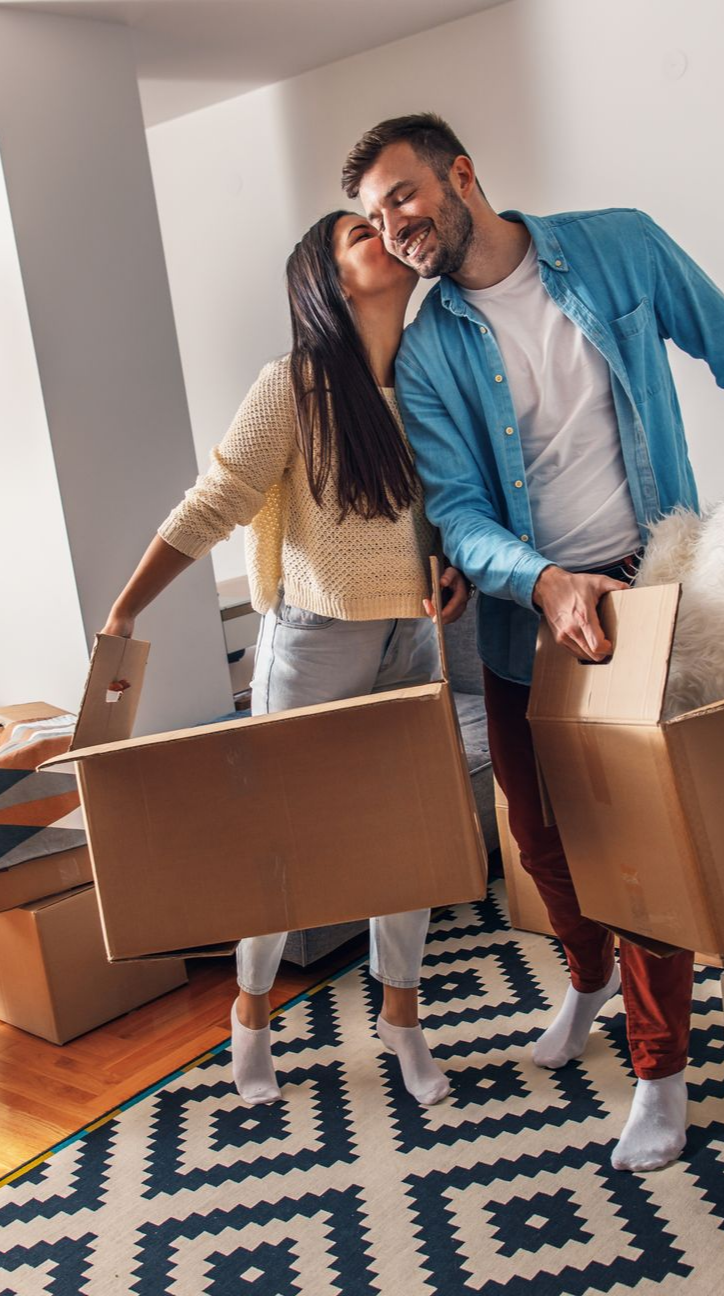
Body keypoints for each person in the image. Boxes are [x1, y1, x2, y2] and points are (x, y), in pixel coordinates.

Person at [342, 111, 724, 1172]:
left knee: (640, 848)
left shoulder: (621, 245)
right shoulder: (430, 349)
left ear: (460, 175)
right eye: (374, 217)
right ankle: (587, 978)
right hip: (531, 617)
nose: (393, 229)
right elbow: (464, 510)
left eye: (402, 198)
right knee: (541, 845)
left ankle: (660, 1071)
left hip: (648, 594)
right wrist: (543, 579)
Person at [101, 208, 470, 1109]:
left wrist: (451, 565)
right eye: (358, 232)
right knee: (282, 850)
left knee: (407, 838)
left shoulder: (426, 374)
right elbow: (219, 496)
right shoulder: (296, 384)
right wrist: (123, 609)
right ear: (332, 281)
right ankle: (253, 1016)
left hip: (412, 634)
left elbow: (441, 503)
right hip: (312, 639)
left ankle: (402, 1020)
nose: (384, 232)